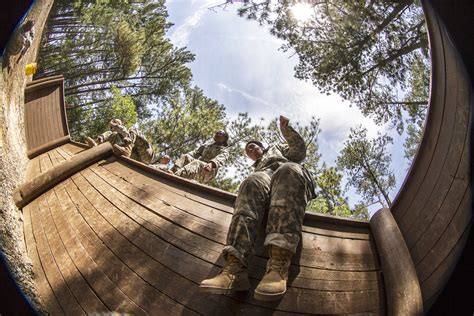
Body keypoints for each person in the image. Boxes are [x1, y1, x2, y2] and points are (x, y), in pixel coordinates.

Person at [199, 115, 315, 301]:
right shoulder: (257, 169)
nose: (250, 150)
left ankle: (278, 264)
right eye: (247, 150)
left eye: (253, 146)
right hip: (264, 178)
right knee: (251, 182)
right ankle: (234, 268)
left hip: (286, 173)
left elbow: (299, 152)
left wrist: (286, 131)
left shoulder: (277, 149)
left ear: (262, 147)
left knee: (289, 170)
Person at [85, 119, 155, 164]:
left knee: (133, 129)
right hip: (134, 157)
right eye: (113, 122)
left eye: (116, 122)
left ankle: (128, 148)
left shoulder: (126, 131)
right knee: (111, 134)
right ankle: (96, 144)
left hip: (145, 154)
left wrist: (116, 126)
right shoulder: (112, 135)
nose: (113, 124)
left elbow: (124, 131)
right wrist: (100, 139)